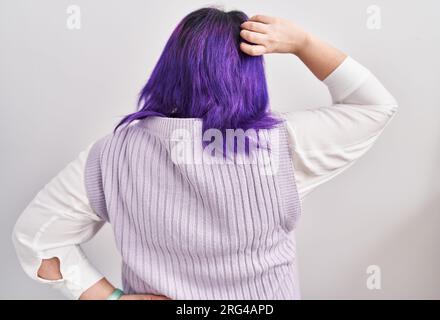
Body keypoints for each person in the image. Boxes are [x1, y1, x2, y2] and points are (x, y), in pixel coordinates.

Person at [12, 7, 398, 300]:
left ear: (167, 69)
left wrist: (108, 297)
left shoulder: (111, 155)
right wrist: (303, 44)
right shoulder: (283, 144)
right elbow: (374, 107)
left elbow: (36, 238)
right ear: (249, 75)